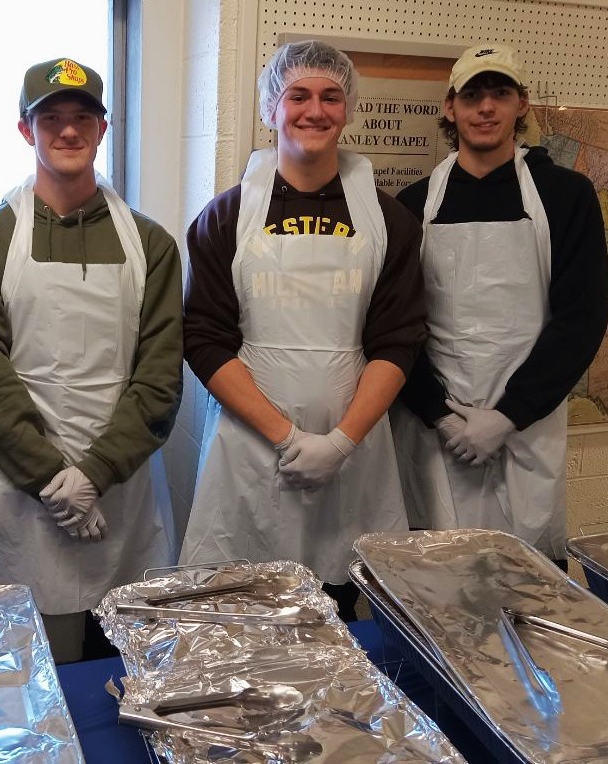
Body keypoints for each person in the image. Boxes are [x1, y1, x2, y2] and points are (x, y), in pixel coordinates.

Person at [178, 40, 426, 621]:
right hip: (251, 446)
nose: (314, 110)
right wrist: (289, 439)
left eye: (330, 96)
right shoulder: (225, 217)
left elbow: (397, 338)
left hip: (353, 445)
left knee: (336, 607)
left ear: (348, 109)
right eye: (298, 95)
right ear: (270, 108)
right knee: (243, 608)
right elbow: (206, 339)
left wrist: (340, 441)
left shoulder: (389, 220)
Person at [0, 58, 182, 662]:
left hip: (120, 483)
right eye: (49, 117)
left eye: (83, 117)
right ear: (26, 130)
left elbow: (158, 375)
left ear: (103, 128)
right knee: (33, 667)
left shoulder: (150, 244)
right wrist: (51, 480)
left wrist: (93, 475)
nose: (67, 131)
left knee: (126, 663)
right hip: (23, 485)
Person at [390, 43, 608, 564]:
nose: (486, 107)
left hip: (526, 426)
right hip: (434, 429)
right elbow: (396, 324)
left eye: (500, 93)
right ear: (451, 108)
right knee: (435, 575)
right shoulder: (414, 204)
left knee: (526, 580)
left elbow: (581, 318)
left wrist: (508, 416)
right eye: (472, 95)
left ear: (521, 104)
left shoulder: (566, 196)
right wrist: (440, 416)